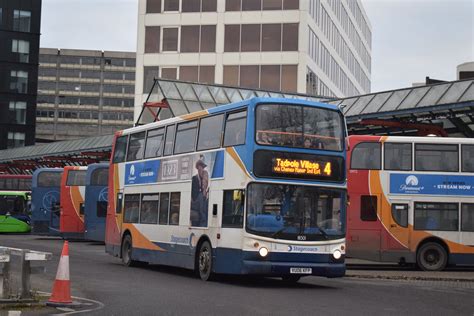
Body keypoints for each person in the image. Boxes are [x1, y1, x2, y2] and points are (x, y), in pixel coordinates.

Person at [190, 159, 209, 227]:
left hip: (203, 197)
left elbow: (205, 184)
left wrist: (203, 176)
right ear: (197, 167)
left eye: (202, 166)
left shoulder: (205, 175)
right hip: (196, 198)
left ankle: (203, 223)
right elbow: (192, 190)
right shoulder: (194, 178)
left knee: (204, 206)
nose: (200, 168)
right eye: (199, 166)